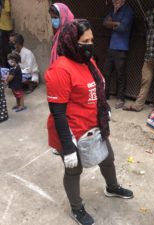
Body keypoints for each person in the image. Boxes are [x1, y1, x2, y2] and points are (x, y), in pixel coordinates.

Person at [45, 19, 133, 225]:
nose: (90, 44)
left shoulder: (88, 61)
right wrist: (67, 146)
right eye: (85, 40)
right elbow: (58, 114)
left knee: (107, 158)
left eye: (91, 39)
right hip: (72, 131)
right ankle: (76, 208)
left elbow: (98, 87)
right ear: (71, 42)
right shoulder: (59, 70)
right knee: (74, 169)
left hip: (94, 124)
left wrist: (105, 108)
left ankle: (112, 187)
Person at [103, 0, 134, 109]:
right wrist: (115, 23)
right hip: (112, 46)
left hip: (122, 47)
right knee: (106, 72)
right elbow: (104, 22)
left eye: (116, 1)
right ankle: (105, 94)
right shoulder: (114, 10)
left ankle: (120, 98)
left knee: (120, 74)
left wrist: (112, 23)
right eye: (113, 1)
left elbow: (123, 28)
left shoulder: (128, 11)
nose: (114, 2)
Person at [0, 0, 13, 67]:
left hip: (7, 28)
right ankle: (5, 66)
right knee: (3, 49)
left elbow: (8, 10)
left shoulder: (6, 1)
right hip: (3, 27)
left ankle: (8, 66)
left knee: (6, 48)